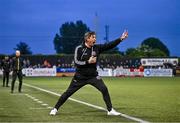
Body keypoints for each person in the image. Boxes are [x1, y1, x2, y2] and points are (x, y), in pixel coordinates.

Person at [50, 30, 128, 116]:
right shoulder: (79, 48)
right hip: (80, 77)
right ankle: (55, 109)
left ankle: (110, 110)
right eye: (93, 37)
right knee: (68, 93)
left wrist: (121, 38)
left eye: (95, 37)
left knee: (104, 89)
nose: (95, 39)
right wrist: (88, 61)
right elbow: (76, 62)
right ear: (87, 38)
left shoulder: (97, 47)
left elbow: (109, 45)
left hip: (93, 76)